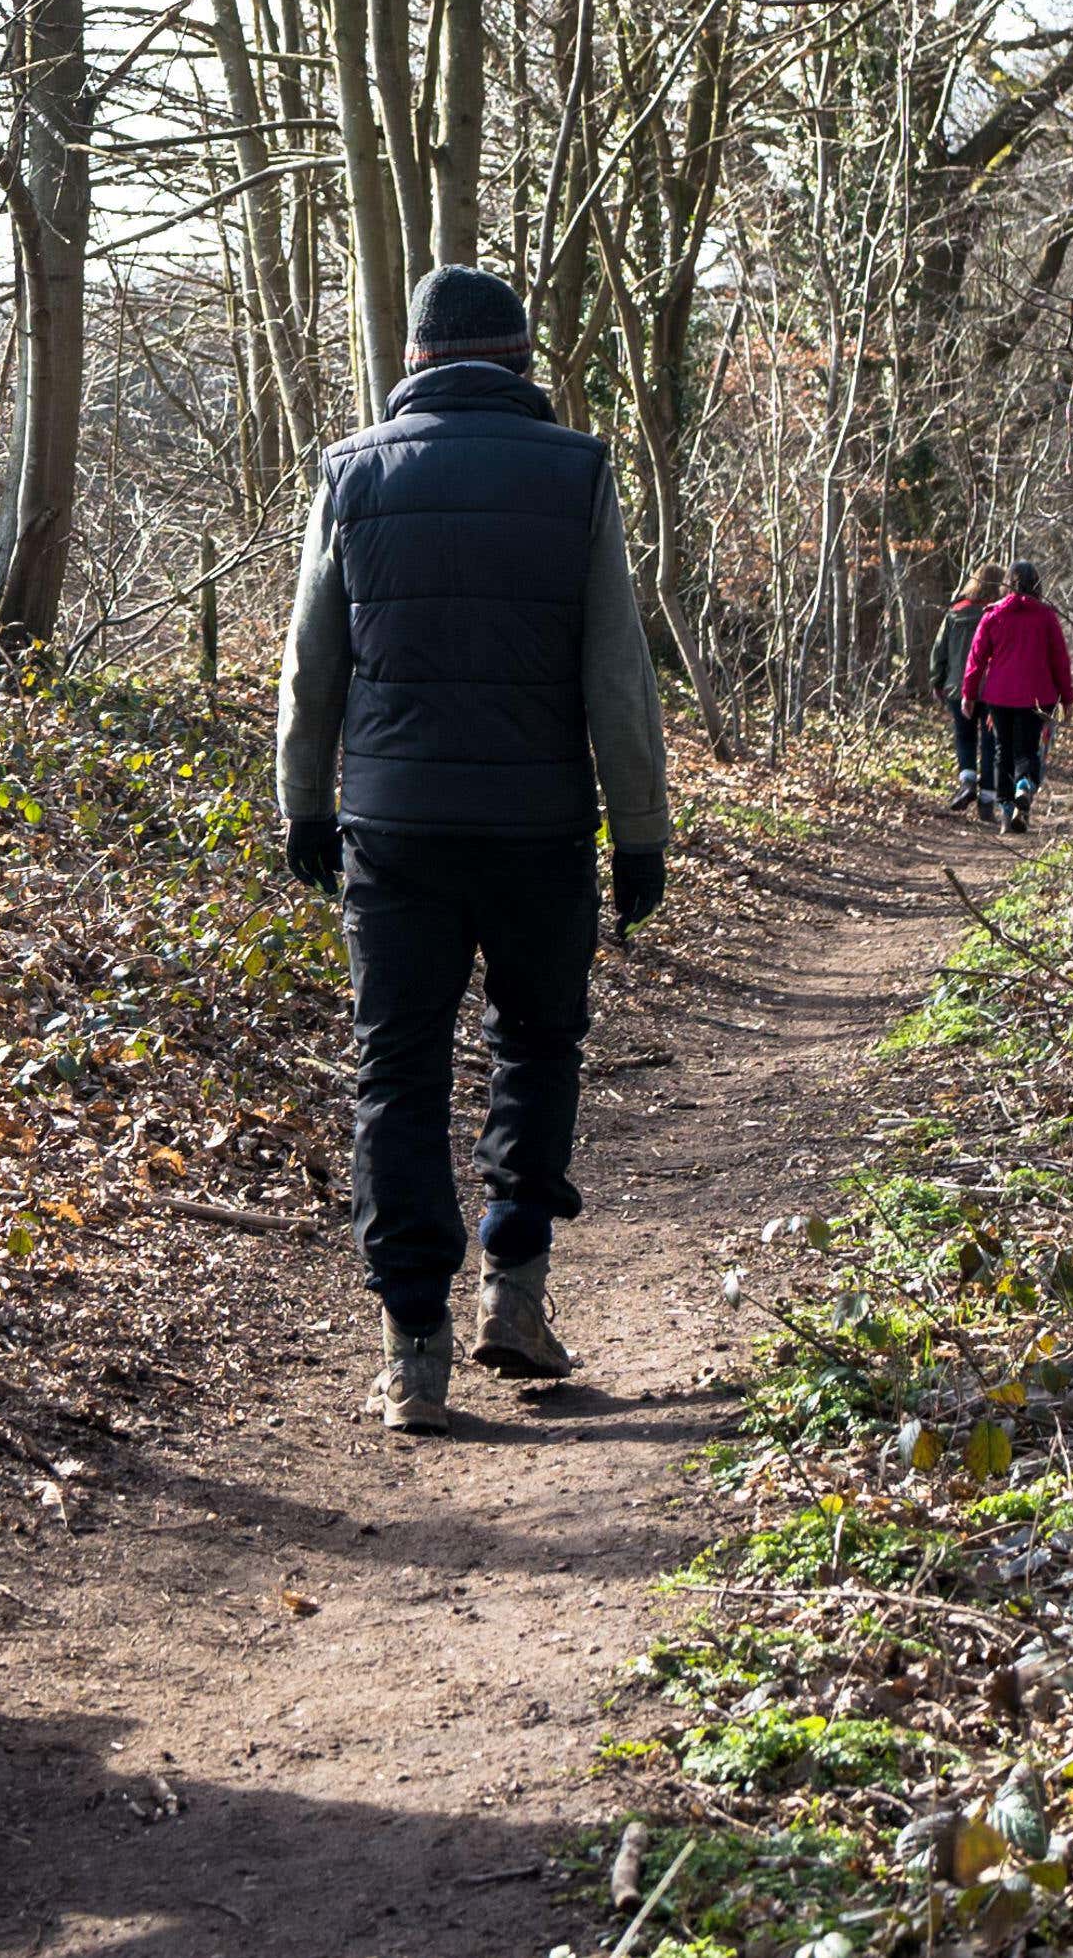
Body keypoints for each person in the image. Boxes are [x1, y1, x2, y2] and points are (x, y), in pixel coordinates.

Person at [273, 263, 674, 1438]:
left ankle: (412, 1352)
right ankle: (513, 1281)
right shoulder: (576, 470)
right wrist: (639, 828)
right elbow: (616, 671)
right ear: (515, 359)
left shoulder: (351, 472)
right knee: (536, 1042)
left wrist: (303, 799)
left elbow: (310, 663)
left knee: (394, 1070)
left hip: (391, 826)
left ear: (414, 359)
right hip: (539, 825)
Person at [960, 559, 1073, 835]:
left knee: (1003, 751)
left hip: (1000, 696)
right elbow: (1060, 660)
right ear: (1037, 584)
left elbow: (976, 659)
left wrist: (969, 693)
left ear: (1007, 583)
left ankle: (1005, 811)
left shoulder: (993, 615)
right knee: (1028, 749)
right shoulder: (1047, 617)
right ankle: (1024, 789)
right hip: (1039, 696)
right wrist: (1067, 698)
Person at [925, 565, 1003, 810]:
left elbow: (940, 650)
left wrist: (937, 680)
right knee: (991, 742)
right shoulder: (999, 614)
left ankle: (967, 782)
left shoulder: (955, 613)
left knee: (964, 736)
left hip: (958, 686)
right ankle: (987, 799)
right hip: (993, 690)